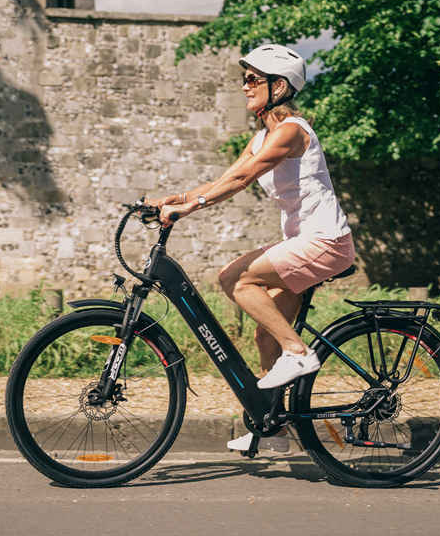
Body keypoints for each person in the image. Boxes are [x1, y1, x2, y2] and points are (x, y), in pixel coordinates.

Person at [146, 44, 355, 452]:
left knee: (235, 278)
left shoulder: (292, 131)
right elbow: (228, 176)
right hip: (303, 242)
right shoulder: (264, 135)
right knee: (264, 334)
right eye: (243, 78)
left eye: (253, 79)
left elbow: (245, 179)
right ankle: (273, 425)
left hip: (325, 241)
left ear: (280, 86)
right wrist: (174, 199)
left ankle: (299, 352)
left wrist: (190, 208)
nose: (245, 86)